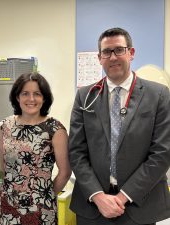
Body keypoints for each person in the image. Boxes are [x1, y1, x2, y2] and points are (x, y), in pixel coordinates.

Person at [68, 27, 170, 225]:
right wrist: (98, 196)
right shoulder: (86, 96)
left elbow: (162, 153)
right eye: (106, 52)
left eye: (119, 50)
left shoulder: (158, 95)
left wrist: (123, 196)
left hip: (139, 206)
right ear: (99, 58)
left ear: (131, 53)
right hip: (93, 208)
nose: (112, 57)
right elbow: (76, 151)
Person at [0, 72, 72, 225]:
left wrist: (45, 195)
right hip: (8, 206)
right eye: (25, 94)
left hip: (41, 208)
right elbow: (5, 167)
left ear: (44, 98)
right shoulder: (5, 127)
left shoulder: (55, 129)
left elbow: (65, 172)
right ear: (17, 97)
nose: (31, 99)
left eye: (37, 94)